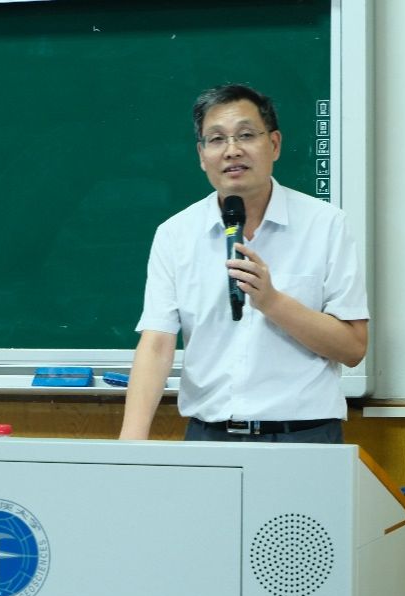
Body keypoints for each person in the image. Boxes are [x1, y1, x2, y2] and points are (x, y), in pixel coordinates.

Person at [119, 83, 369, 443]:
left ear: (275, 144)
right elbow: (157, 343)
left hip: (303, 437)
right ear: (202, 155)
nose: (232, 150)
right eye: (217, 139)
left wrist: (273, 302)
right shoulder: (175, 234)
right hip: (209, 438)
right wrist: (131, 441)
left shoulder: (325, 225)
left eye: (246, 135)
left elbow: (353, 348)